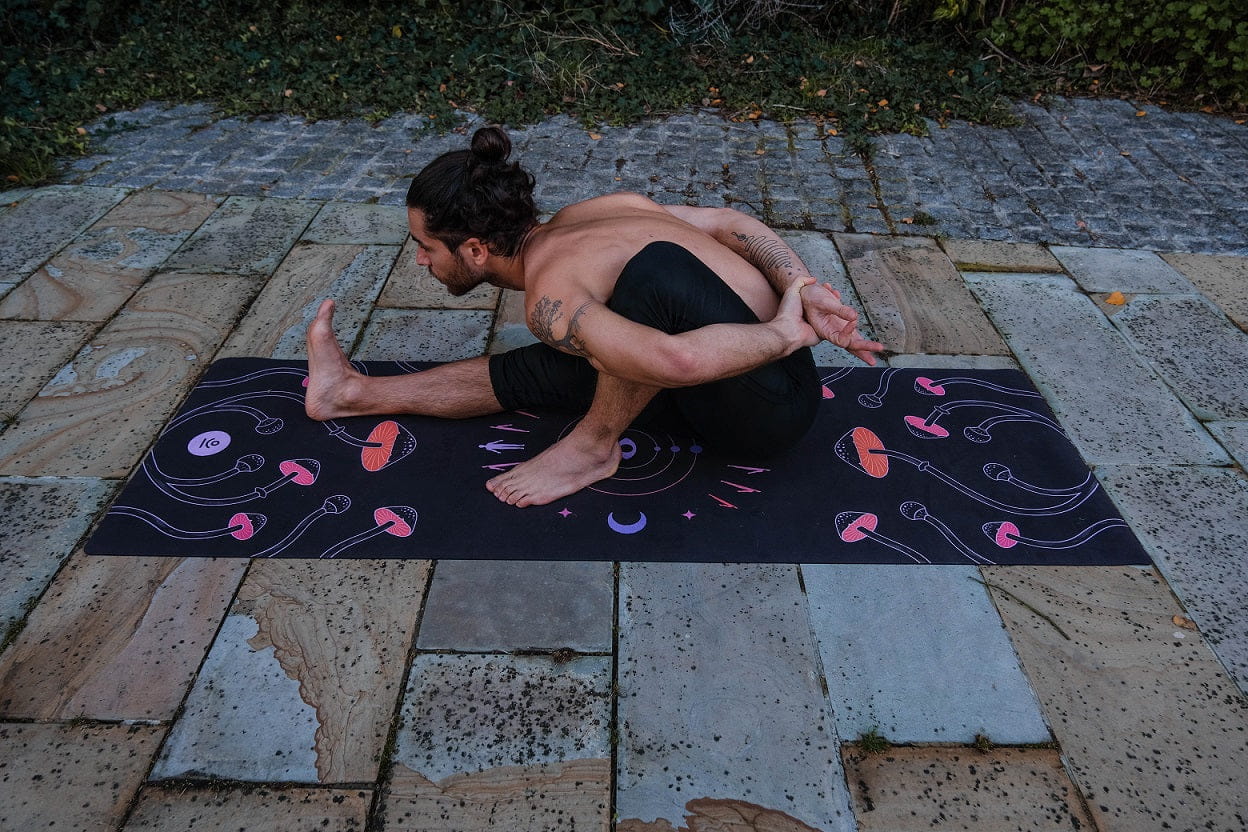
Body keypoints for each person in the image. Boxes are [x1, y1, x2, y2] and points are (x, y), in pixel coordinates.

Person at [305, 126, 882, 507]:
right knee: (552, 365)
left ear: (476, 249)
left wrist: (788, 326)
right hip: (745, 363)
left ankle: (592, 448)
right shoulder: (595, 211)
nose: (420, 259)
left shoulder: (551, 296)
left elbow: (676, 360)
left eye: (426, 246)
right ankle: (349, 394)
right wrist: (802, 287)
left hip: (769, 410)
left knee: (648, 281)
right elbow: (730, 221)